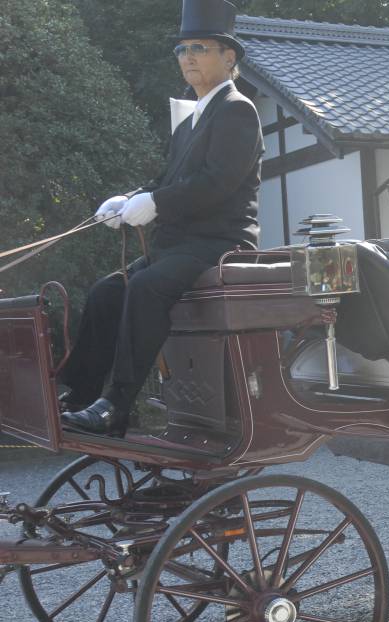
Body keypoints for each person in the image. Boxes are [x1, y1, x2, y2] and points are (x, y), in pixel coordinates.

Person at [59, 0, 263, 435]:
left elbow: (216, 183)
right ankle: (79, 395)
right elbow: (166, 179)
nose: (187, 55)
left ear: (229, 57)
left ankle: (117, 405)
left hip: (220, 243)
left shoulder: (238, 110)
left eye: (200, 47)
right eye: (181, 49)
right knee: (106, 293)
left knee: (147, 288)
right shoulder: (191, 120)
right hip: (180, 245)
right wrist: (129, 199)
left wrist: (157, 205)